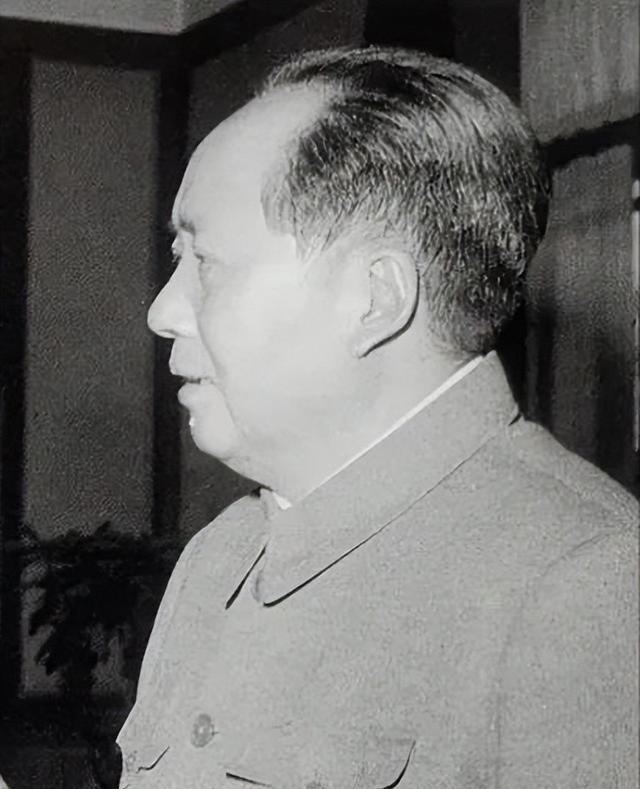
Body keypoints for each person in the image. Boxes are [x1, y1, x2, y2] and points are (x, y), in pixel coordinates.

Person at [116, 47, 638, 789]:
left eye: (206, 263)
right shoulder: (221, 556)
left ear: (373, 299)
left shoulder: (587, 585)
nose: (163, 310)